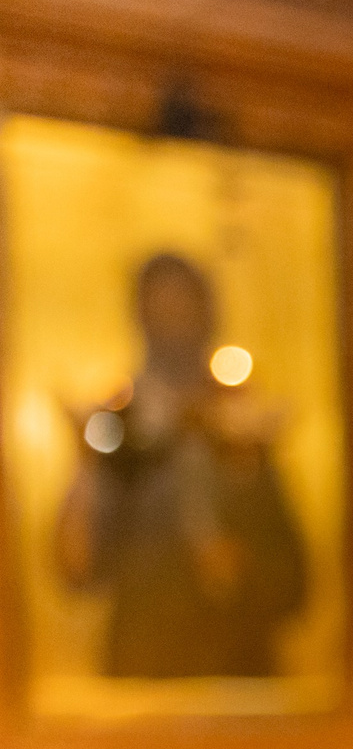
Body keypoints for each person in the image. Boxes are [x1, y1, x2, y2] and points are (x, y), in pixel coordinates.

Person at [55, 251, 307, 677]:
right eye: (159, 306)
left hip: (240, 672)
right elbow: (78, 570)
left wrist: (239, 567)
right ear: (140, 317)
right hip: (144, 668)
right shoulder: (117, 428)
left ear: (207, 314)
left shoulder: (241, 430)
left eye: (184, 305)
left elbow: (294, 584)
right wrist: (86, 462)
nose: (172, 320)